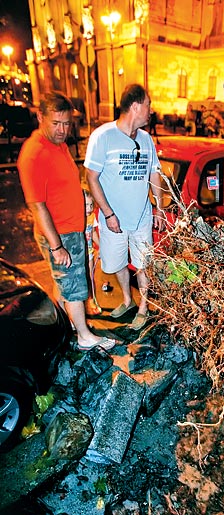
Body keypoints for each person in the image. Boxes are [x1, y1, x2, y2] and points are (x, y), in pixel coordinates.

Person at [17, 91, 115, 352]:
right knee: (74, 284)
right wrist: (57, 246)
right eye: (56, 123)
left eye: (66, 123)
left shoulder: (57, 145)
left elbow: (61, 186)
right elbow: (37, 205)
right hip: (60, 233)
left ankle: (61, 327)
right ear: (40, 117)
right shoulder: (34, 153)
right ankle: (84, 336)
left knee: (63, 284)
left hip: (71, 228)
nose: (62, 130)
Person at [84, 83, 166, 330]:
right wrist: (108, 214)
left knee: (143, 263)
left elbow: (154, 173)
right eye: (148, 104)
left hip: (141, 216)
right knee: (115, 262)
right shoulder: (103, 136)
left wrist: (159, 208)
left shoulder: (146, 139)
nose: (151, 110)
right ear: (135, 106)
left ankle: (143, 307)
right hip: (113, 219)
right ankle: (128, 300)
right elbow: (91, 177)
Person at [83, 183, 102, 315]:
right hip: (78, 255)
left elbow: (93, 232)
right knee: (81, 279)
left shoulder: (91, 217)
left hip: (89, 253)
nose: (89, 208)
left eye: (91, 205)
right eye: (86, 205)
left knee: (90, 277)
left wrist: (101, 245)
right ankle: (82, 304)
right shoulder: (76, 219)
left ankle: (92, 300)